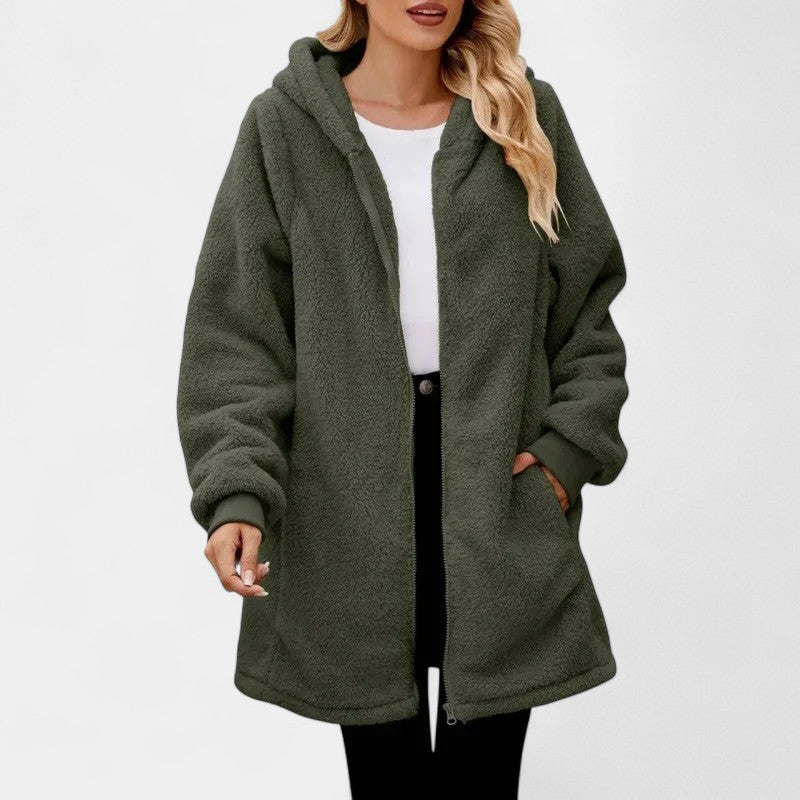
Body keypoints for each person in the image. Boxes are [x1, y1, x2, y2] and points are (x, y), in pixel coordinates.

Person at [176, 1, 629, 796]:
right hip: (344, 503)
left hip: (498, 489)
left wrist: (563, 459)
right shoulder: (285, 128)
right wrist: (236, 493)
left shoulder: (521, 113)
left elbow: (586, 312)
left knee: (482, 780)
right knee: (386, 783)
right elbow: (239, 336)